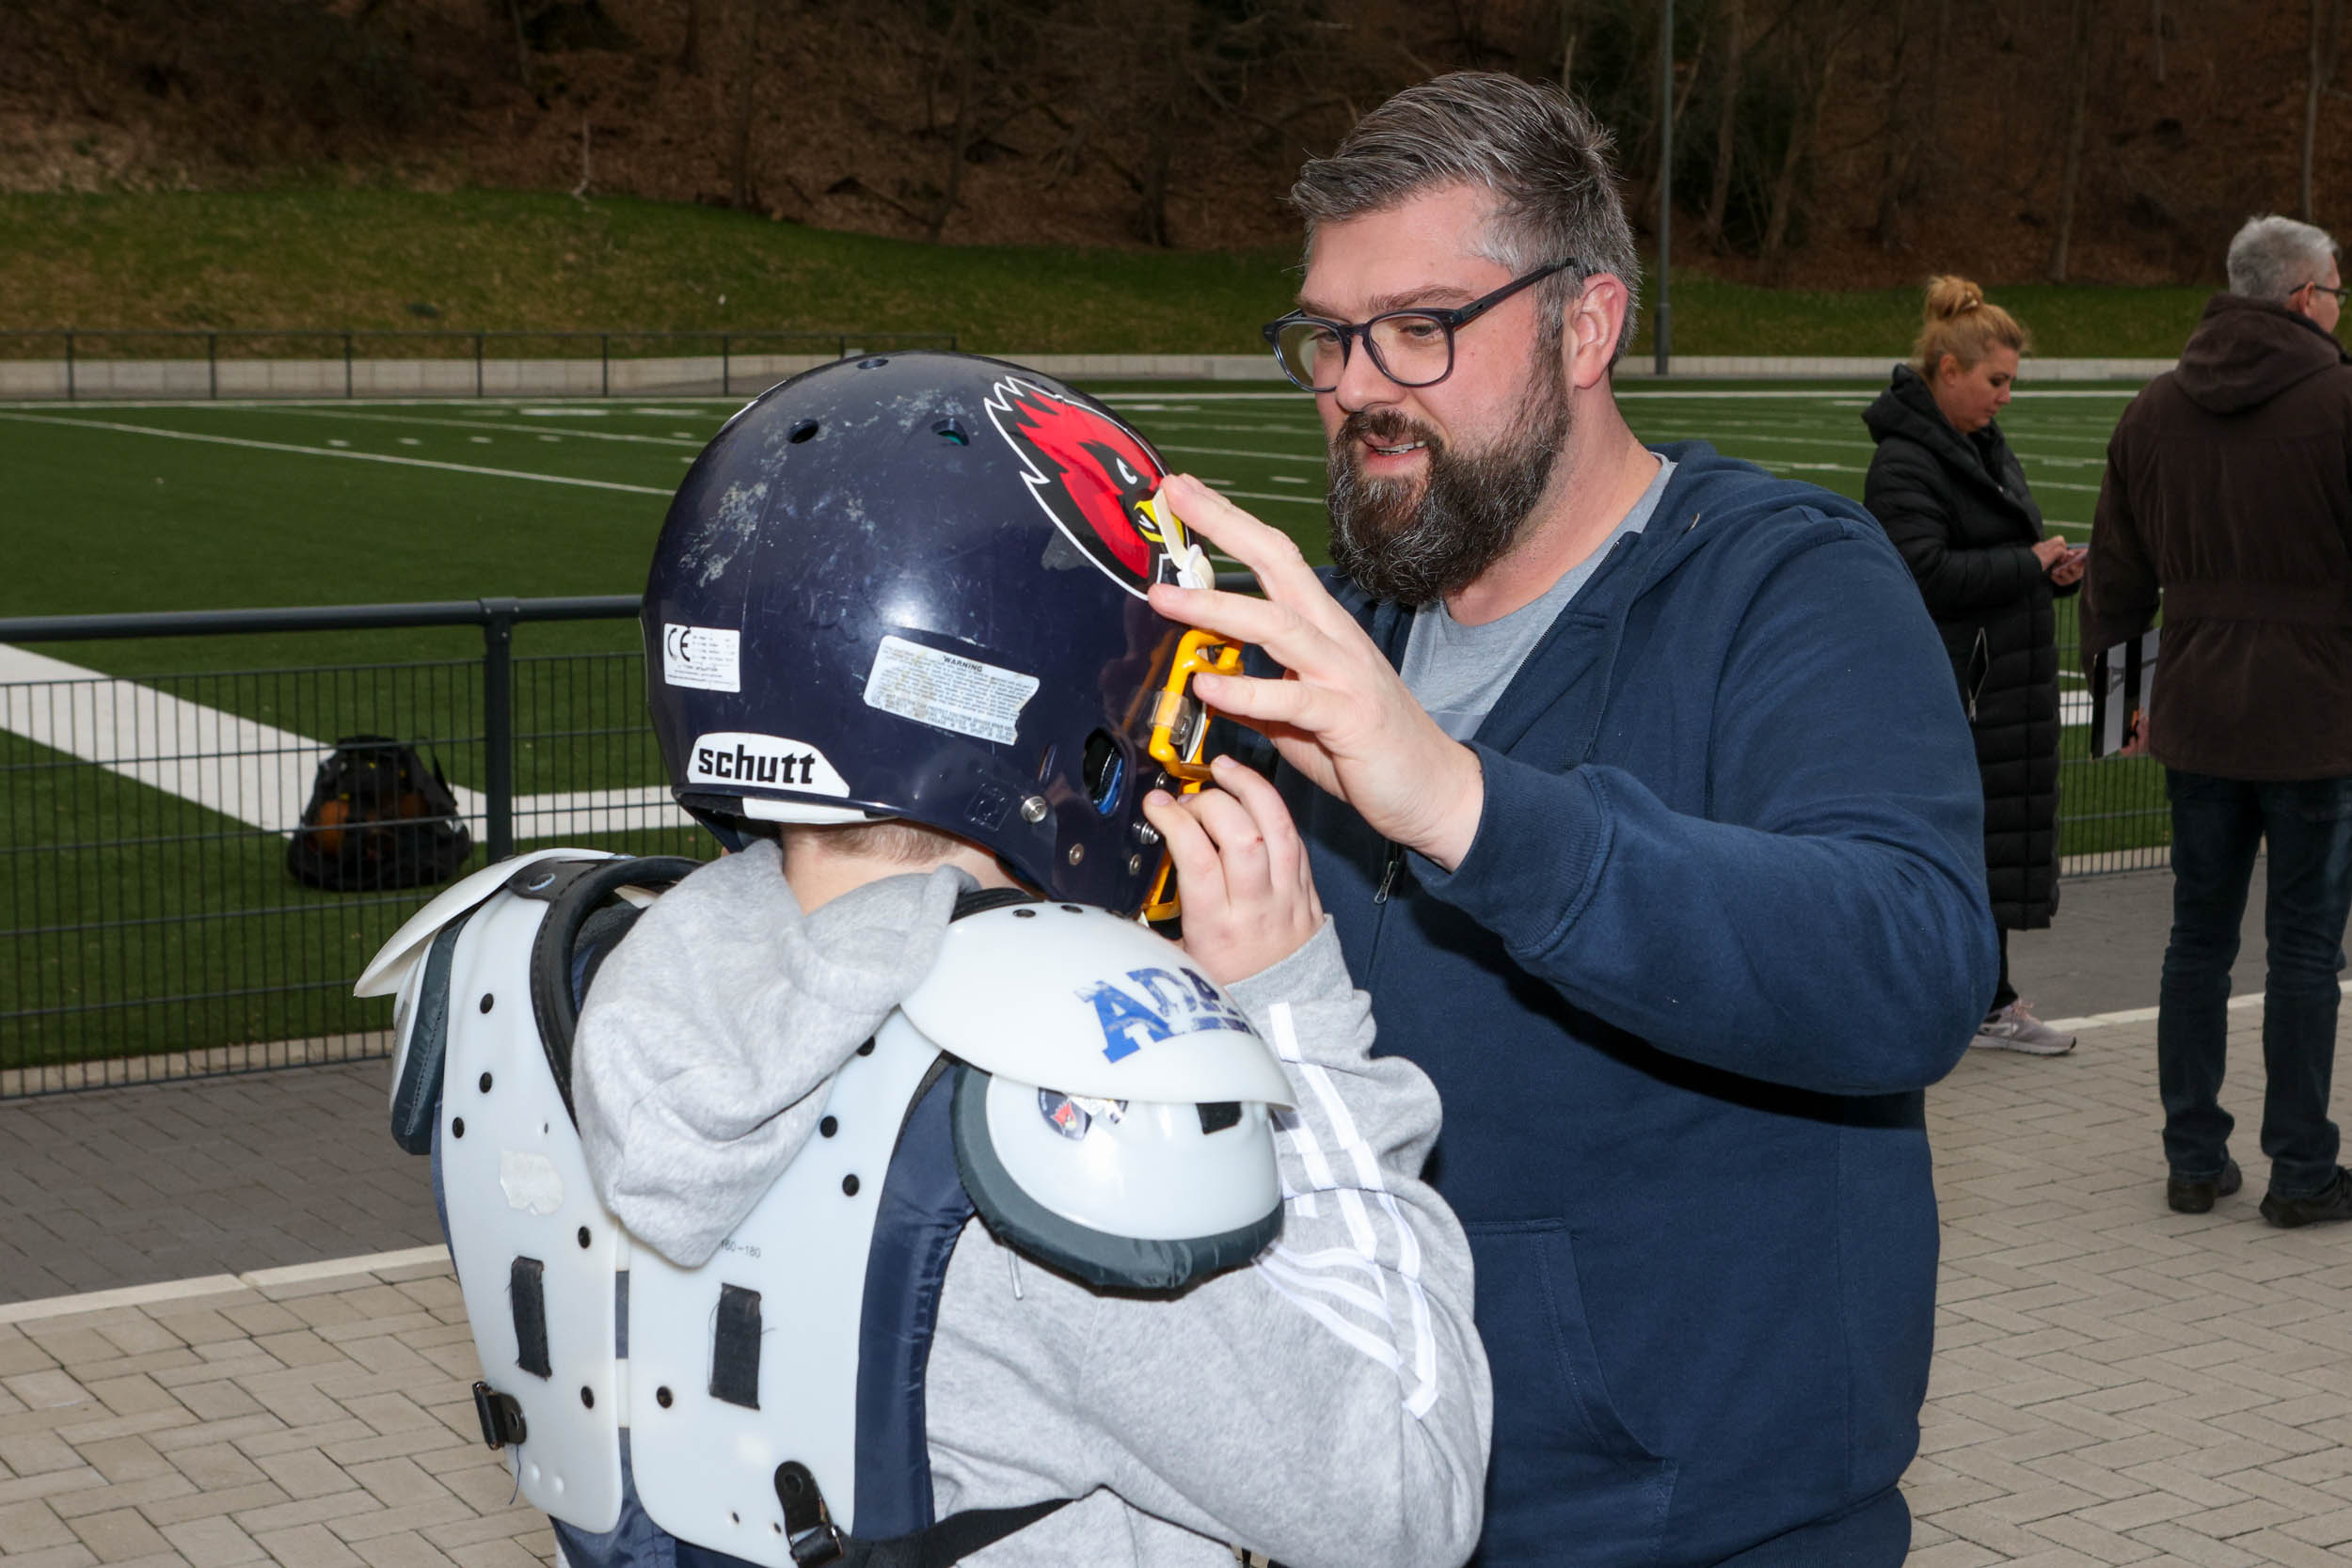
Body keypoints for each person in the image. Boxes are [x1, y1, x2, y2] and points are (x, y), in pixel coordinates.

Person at [362, 355, 1489, 1567]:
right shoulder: (1042, 1126)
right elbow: (1405, 1501)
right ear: (1053, 722)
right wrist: (1295, 1015)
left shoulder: (557, 985)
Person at [1148, 72, 1997, 1566]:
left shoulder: (1786, 584)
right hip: (1352, 1503)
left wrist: (1461, 801)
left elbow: (1910, 960)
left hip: (1702, 1522)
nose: (1356, 384)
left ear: (1586, 325)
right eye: (1329, 338)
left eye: (1421, 326)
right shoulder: (1327, 645)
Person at [2080, 214, 2352, 1227]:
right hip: (2315, 715)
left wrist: (2121, 710)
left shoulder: (2154, 409)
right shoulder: (2338, 402)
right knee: (2303, 946)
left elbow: (2113, 578)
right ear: (2299, 300)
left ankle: (2192, 1155)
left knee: (2196, 938)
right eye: (2333, 289)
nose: (2336, 304)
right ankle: (2300, 1166)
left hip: (2195, 709)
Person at [1863, 277, 2083, 1056]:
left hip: (1994, 683)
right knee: (1958, 845)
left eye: (2011, 383)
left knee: (1986, 844)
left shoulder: (1978, 448)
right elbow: (1921, 572)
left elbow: (1986, 558)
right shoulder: (1906, 463)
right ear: (1947, 371)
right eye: (1996, 381)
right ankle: (1972, 1002)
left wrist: (2049, 570)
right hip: (1960, 687)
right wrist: (2026, 561)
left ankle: (1987, 1000)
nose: (2005, 398)